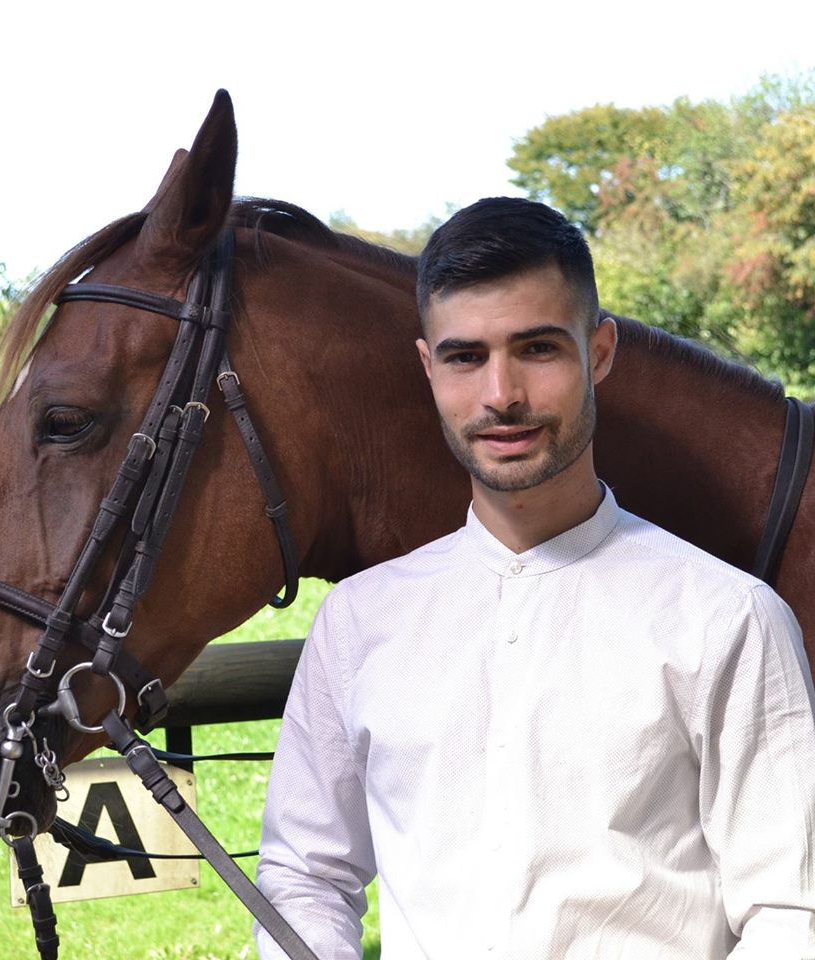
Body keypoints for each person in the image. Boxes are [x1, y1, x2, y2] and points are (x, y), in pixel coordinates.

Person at [254, 198, 815, 959]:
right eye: (465, 357)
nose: (501, 394)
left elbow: (791, 910)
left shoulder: (729, 618)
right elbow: (304, 876)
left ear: (602, 351)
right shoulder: (358, 623)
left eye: (538, 349)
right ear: (428, 368)